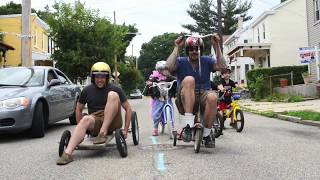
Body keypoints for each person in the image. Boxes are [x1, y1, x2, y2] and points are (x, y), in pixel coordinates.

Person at [56, 62, 132, 165]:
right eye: (97, 77)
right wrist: (81, 127)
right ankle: (67, 154)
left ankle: (103, 132)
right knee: (86, 119)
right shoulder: (87, 90)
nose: (100, 80)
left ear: (107, 77)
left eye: (102, 77)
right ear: (93, 77)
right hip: (96, 120)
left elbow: (128, 109)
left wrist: (126, 130)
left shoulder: (116, 89)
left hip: (113, 120)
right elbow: (78, 109)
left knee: (112, 95)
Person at [166, 34, 226, 148]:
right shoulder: (180, 61)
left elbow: (222, 67)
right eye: (191, 49)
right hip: (185, 97)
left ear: (201, 50)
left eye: (197, 49)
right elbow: (168, 67)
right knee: (189, 79)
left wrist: (216, 46)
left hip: (203, 94)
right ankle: (188, 126)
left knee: (213, 97)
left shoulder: (207, 60)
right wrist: (177, 47)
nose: (194, 51)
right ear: (187, 51)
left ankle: (207, 135)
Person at [146, 61, 176, 136]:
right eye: (163, 70)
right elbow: (151, 81)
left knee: (171, 111)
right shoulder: (155, 77)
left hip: (167, 97)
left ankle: (172, 127)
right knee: (156, 113)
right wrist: (150, 83)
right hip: (158, 97)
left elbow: (175, 80)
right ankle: (155, 128)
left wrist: (176, 80)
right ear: (159, 70)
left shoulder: (169, 77)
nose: (165, 72)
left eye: (166, 70)